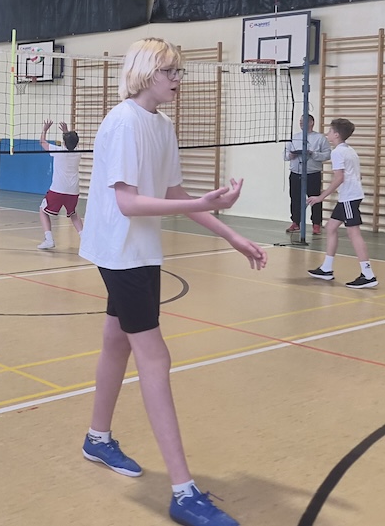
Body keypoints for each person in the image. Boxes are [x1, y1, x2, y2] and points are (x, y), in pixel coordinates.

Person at [78, 38, 266, 526]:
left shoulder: (162, 125)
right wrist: (198, 204)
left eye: (179, 71)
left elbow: (173, 192)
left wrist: (231, 235)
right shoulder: (124, 122)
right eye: (170, 71)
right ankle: (183, 491)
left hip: (141, 249)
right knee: (155, 357)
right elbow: (127, 202)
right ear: (146, 73)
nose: (178, 79)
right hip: (120, 250)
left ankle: (97, 438)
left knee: (116, 341)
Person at [306, 118, 378, 288]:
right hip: (349, 196)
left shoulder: (337, 152)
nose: (327, 134)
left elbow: (339, 178)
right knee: (331, 227)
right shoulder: (350, 150)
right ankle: (326, 268)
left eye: (330, 131)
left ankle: (368, 274)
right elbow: (358, 175)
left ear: (337, 135)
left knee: (354, 233)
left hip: (349, 197)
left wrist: (321, 197)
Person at [37, 119, 83, 249]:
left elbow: (42, 142)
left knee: (42, 210)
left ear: (64, 142)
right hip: (73, 191)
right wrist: (66, 132)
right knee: (73, 214)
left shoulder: (57, 150)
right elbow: (71, 144)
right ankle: (85, 239)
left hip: (58, 189)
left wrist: (45, 129)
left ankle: (49, 240)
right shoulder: (78, 153)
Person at [285, 114, 331, 235]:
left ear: (311, 122)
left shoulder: (320, 138)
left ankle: (316, 224)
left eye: (304, 121)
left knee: (315, 199)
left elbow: (327, 154)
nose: (301, 123)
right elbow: (285, 155)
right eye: (300, 121)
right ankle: (296, 222)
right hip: (296, 173)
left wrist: (313, 154)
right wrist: (291, 155)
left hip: (312, 174)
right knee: (295, 198)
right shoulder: (294, 137)